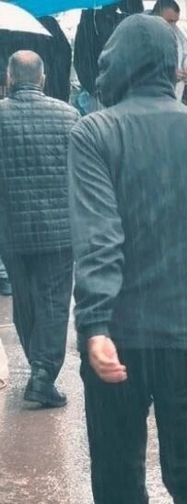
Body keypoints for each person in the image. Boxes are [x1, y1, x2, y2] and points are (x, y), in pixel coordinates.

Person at [67, 15, 187, 503]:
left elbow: (99, 236)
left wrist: (94, 324)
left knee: (117, 481)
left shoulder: (95, 133)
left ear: (119, 65)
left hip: (120, 336)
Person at [0, 51, 80, 408]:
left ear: (9, 78)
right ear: (44, 79)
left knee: (25, 298)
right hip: (59, 230)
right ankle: (43, 375)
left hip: (11, 229)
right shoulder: (69, 116)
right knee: (54, 302)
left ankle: (39, 368)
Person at [152, 0, 187, 101]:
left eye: (175, 21)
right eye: (169, 21)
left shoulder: (174, 30)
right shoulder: (140, 35)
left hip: (174, 100)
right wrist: (166, 74)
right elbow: (139, 70)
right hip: (152, 101)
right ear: (155, 16)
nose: (172, 25)